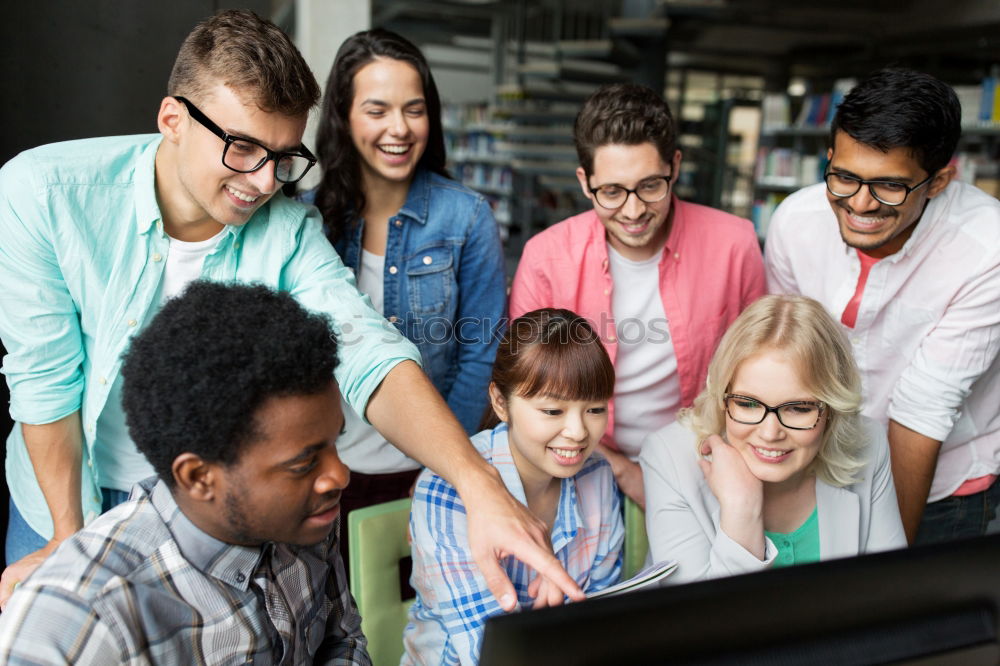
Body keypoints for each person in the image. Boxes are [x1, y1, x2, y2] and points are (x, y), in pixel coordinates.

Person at [0, 9, 580, 611]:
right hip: (65, 496)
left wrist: (478, 485)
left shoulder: (287, 228)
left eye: (283, 157)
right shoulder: (43, 194)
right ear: (173, 119)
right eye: (243, 147)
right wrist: (71, 539)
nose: (264, 181)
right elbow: (46, 383)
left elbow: (368, 351)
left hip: (208, 507)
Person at [0, 282, 368, 664]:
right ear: (197, 477)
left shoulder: (306, 515)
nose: (338, 476)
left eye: (334, 444)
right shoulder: (78, 620)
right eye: (303, 464)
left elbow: (342, 641)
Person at [764, 68, 1000, 545]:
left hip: (940, 491)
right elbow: (788, 353)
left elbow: (922, 410)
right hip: (821, 471)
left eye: (889, 186)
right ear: (828, 158)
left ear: (938, 182)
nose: (861, 205)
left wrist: (888, 567)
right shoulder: (795, 221)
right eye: (844, 177)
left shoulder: (987, 248)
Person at [300, 28, 506, 565]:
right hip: (326, 473)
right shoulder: (303, 219)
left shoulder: (466, 216)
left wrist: (444, 466)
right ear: (344, 116)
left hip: (428, 472)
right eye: (378, 110)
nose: (399, 128)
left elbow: (480, 352)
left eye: (414, 110)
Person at [509, 83, 766, 508]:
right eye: (611, 192)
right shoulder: (545, 257)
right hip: (575, 462)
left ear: (675, 167)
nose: (632, 211)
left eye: (650, 186)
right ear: (585, 182)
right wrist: (620, 469)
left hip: (703, 465)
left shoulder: (734, 244)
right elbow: (532, 397)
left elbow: (756, 375)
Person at [403, 309, 624, 665]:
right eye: (553, 411)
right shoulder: (446, 492)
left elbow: (609, 616)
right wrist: (566, 620)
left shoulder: (596, 472)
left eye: (595, 409)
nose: (579, 432)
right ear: (500, 402)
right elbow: (488, 655)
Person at [640, 295, 906, 584]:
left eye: (798, 408)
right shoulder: (669, 458)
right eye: (748, 404)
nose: (770, 433)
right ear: (721, 397)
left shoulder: (869, 442)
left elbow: (889, 591)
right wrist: (742, 510)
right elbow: (692, 622)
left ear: (832, 410)